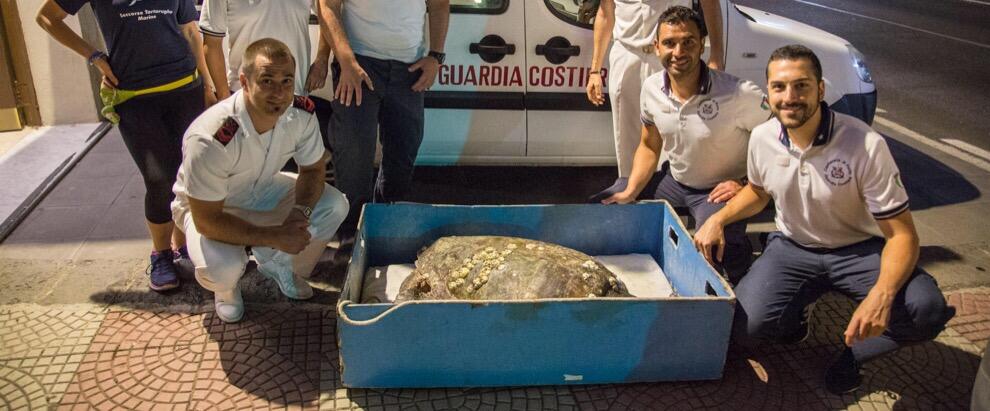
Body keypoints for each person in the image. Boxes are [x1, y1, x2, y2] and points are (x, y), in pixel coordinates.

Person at [693, 45, 954, 395]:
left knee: (926, 310)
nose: (790, 97)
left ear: (820, 89)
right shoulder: (762, 138)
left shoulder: (865, 145)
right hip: (793, 248)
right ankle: (797, 315)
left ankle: (853, 355)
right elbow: (758, 192)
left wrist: (881, 294)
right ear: (768, 92)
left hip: (860, 251)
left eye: (801, 86)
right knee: (744, 329)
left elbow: (903, 236)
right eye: (779, 87)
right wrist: (718, 220)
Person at [36, 0, 214, 291]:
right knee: (159, 179)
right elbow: (47, 18)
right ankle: (161, 254)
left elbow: (191, 31)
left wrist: (207, 85)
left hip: (185, 89)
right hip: (134, 95)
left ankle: (181, 246)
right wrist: (94, 56)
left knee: (188, 172)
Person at [171, 39, 348, 323]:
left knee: (334, 205)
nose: (278, 92)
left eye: (286, 81)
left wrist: (297, 214)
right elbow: (207, 220)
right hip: (210, 208)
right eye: (267, 81)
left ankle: (279, 265)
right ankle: (227, 290)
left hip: (262, 188)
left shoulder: (300, 115)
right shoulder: (211, 137)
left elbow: (313, 171)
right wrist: (275, 235)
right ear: (244, 81)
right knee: (222, 267)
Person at [602, 6, 768, 281]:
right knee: (605, 206)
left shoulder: (739, 93)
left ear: (701, 45)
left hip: (716, 191)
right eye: (669, 43)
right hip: (675, 181)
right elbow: (649, 145)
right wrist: (630, 190)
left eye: (688, 42)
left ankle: (741, 281)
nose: (678, 52)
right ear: (656, 47)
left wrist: (746, 181)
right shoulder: (653, 88)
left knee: (714, 250)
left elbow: (775, 141)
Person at [317, 0, 450, 240]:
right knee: (354, 155)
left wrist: (436, 57)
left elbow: (440, 4)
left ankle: (383, 226)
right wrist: (346, 60)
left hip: (410, 69)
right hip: (358, 64)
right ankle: (350, 237)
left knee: (403, 153)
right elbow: (327, 6)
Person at [586, 0, 724, 203]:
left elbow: (710, 5)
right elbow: (606, 13)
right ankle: (632, 206)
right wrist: (595, 70)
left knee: (675, 137)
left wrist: (717, 55)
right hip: (627, 56)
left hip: (671, 58)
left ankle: (673, 210)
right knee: (627, 143)